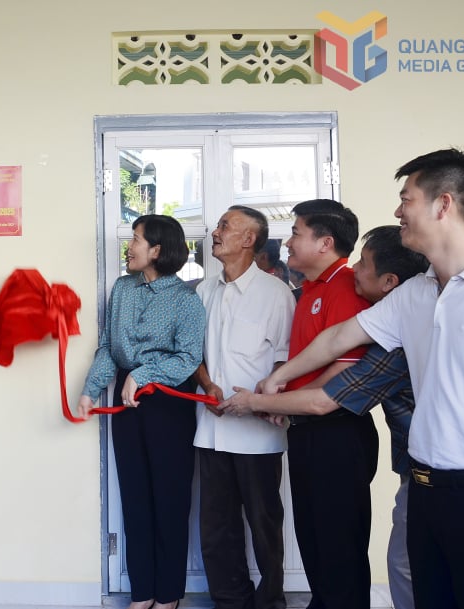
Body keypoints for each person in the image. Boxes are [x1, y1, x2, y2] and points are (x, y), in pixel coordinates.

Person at [257, 148, 464, 608]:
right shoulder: (415, 294)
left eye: (406, 200)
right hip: (424, 491)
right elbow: (339, 338)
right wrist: (279, 375)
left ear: (443, 205)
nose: (398, 212)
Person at [221, 225, 429, 609]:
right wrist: (277, 384)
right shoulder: (368, 303)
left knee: (359, 557)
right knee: (334, 552)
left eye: (363, 264)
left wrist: (258, 401)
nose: (355, 269)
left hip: (380, 450)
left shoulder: (388, 338)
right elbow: (333, 342)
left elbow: (326, 398)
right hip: (407, 465)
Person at [77, 214, 205, 609]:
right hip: (126, 404)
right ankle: (143, 593)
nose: (129, 247)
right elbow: (108, 347)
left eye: (135, 239)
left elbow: (188, 358)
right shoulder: (122, 289)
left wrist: (143, 374)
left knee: (169, 499)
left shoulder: (186, 300)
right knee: (134, 497)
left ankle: (168, 596)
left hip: (169, 403)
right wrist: (90, 390)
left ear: (158, 250)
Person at [192, 206, 295, 609]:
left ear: (249, 239)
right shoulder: (204, 291)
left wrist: (257, 400)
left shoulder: (276, 294)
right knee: (216, 528)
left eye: (224, 226)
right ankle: (229, 601)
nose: (214, 233)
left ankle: (270, 602)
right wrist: (208, 385)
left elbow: (286, 360)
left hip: (258, 434)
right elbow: (191, 353)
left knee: (265, 526)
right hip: (211, 429)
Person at [280, 199, 377, 609]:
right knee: (315, 542)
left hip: (337, 431)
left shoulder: (346, 286)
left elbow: (339, 377)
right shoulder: (309, 290)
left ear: (325, 242)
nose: (288, 242)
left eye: (296, 233)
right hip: (306, 429)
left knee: (338, 548)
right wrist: (284, 401)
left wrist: (276, 400)